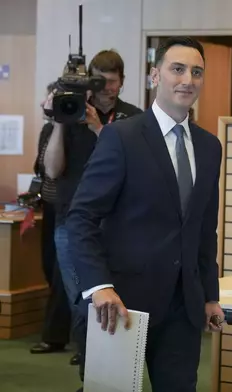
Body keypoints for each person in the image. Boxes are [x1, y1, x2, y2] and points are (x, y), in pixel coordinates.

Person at [65, 36, 225, 392]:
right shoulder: (121, 137)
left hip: (184, 307)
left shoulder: (209, 147)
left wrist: (210, 294)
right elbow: (81, 218)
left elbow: (202, 229)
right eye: (177, 69)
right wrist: (99, 286)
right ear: (155, 76)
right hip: (122, 304)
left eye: (197, 72)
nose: (188, 79)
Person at [42, 49, 142, 388]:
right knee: (86, 309)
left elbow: (138, 170)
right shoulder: (68, 114)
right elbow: (53, 170)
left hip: (119, 228)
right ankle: (93, 381)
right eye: (98, 82)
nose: (104, 90)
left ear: (122, 82)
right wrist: (59, 123)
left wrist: (100, 128)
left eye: (111, 83)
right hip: (71, 226)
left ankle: (116, 380)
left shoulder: (133, 120)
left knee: (119, 305)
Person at [30, 82, 72, 357]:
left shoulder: (71, 128)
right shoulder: (47, 128)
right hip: (49, 204)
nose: (47, 102)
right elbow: (42, 168)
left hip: (69, 206)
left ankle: (55, 335)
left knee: (62, 272)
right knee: (49, 266)